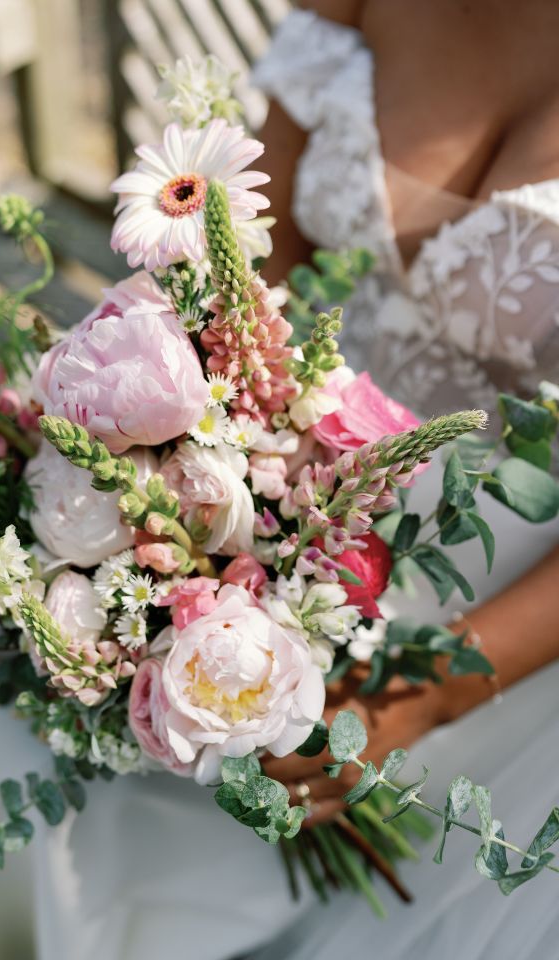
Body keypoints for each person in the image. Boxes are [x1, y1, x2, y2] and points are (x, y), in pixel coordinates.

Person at [247, 1, 559, 956]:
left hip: (513, 618)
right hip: (281, 513)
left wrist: (414, 697)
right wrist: (208, 499)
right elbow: (257, 266)